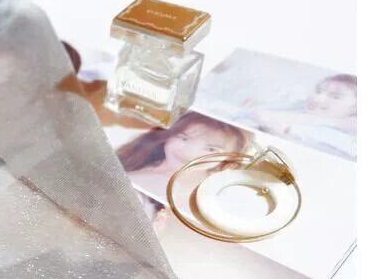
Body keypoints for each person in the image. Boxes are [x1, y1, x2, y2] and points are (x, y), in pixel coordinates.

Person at [116, 112, 251, 200]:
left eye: (211, 149)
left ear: (229, 157)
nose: (190, 152)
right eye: (184, 138)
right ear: (169, 134)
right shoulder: (136, 156)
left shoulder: (215, 193)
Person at [247, 74, 357, 160]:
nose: (318, 98)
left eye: (335, 96)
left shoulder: (344, 138)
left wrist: (285, 129)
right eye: (318, 91)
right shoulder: (300, 108)